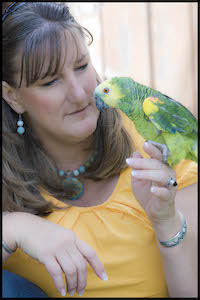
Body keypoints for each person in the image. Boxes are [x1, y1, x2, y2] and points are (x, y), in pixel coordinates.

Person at [2, 2, 197, 298]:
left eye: (82, 67)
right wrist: (14, 229)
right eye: (50, 81)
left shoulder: (156, 146)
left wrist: (167, 222)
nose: (80, 94)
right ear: (12, 97)